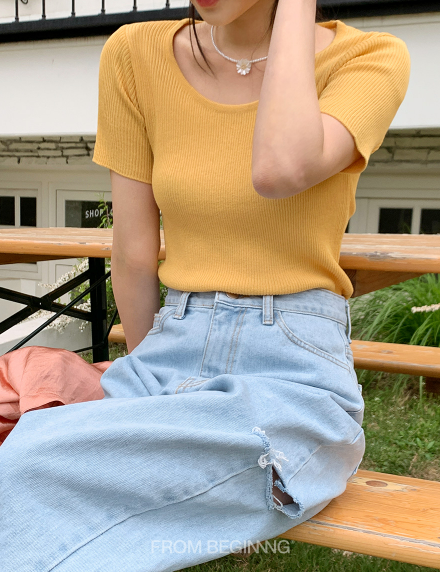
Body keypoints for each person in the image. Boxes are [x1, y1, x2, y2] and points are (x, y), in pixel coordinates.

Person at [0, 0, 411, 570]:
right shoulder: (135, 54)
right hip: (169, 347)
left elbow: (280, 169)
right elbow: (134, 251)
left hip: (293, 375)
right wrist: (147, 386)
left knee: (34, 461)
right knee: (33, 456)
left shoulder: (368, 58)